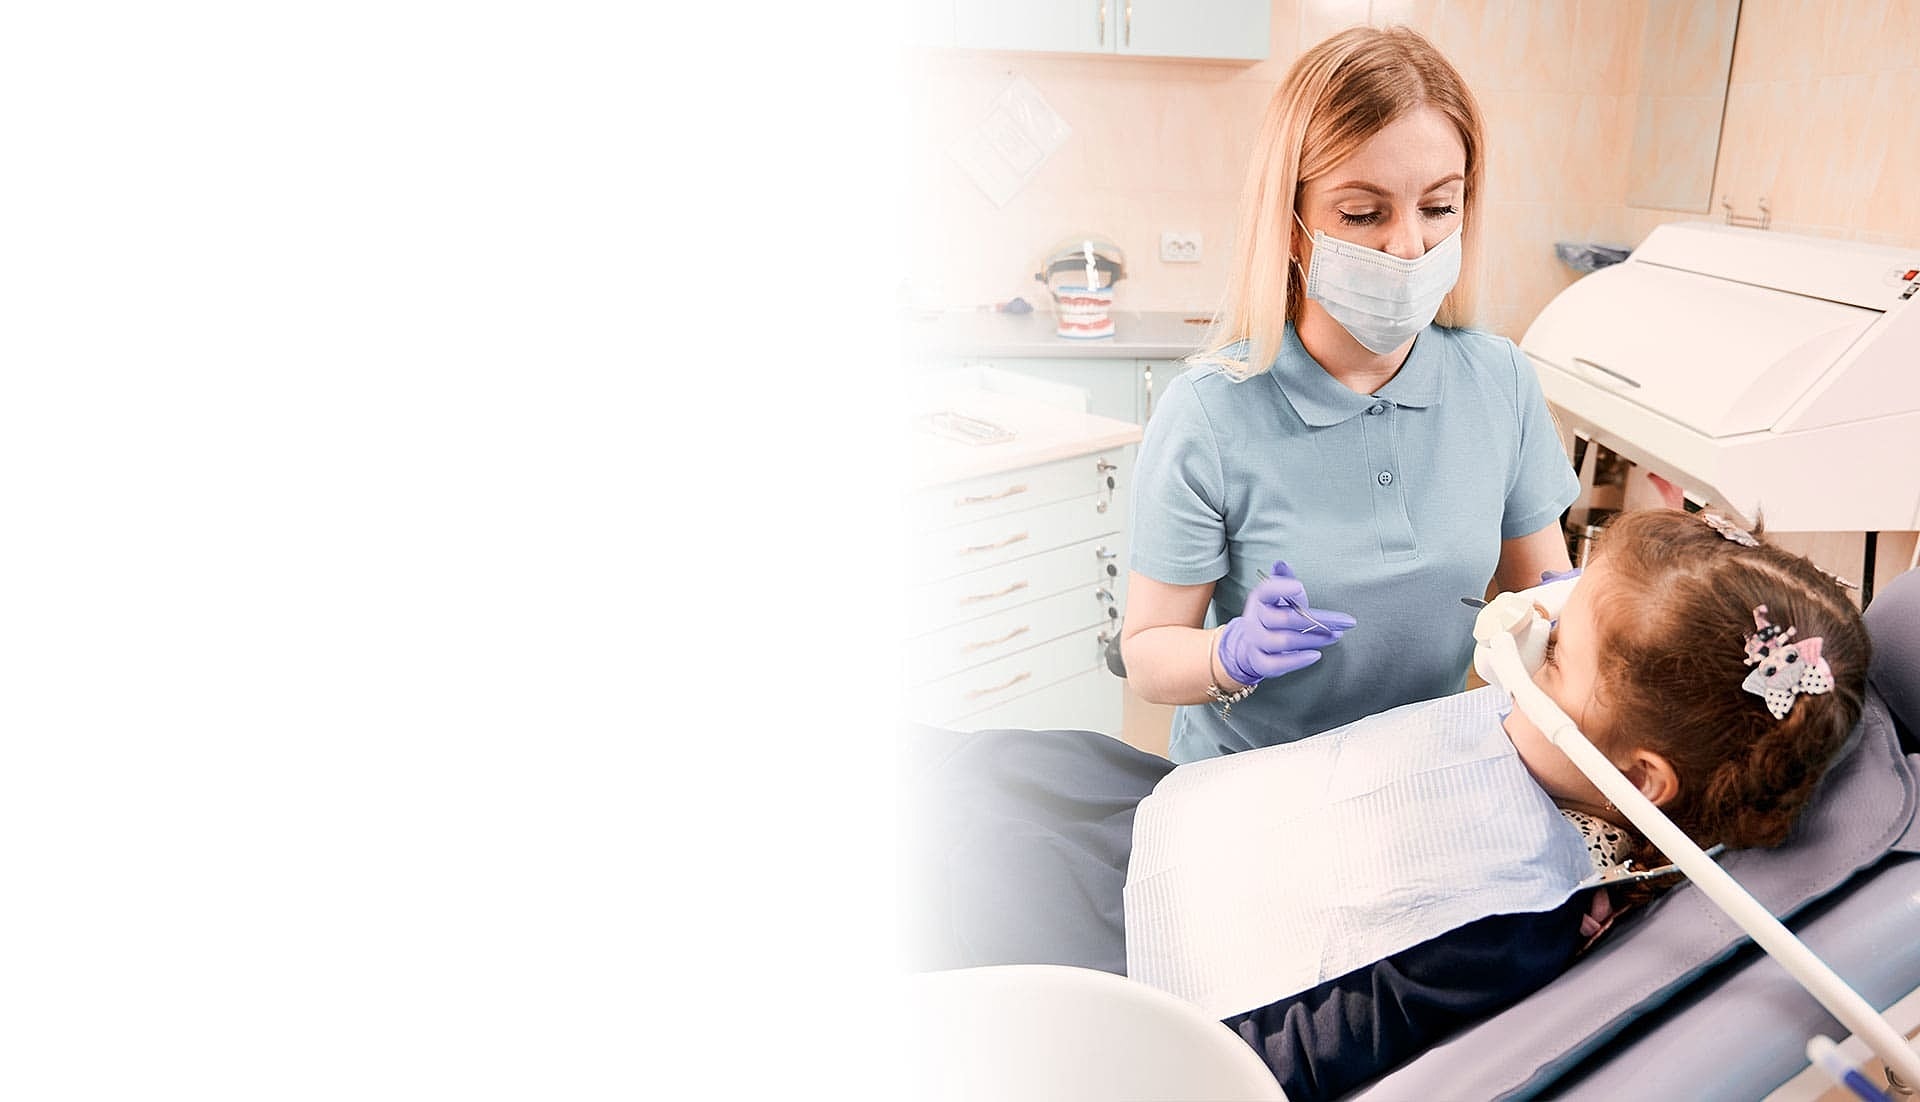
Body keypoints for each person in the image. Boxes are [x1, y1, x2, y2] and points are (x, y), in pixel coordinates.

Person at [903, 509, 1871, 1101]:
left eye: (1559, 649)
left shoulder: (1505, 918)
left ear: (1640, 777)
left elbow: (1272, 1060)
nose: (1527, 634)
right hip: (1156, 822)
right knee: (976, 767)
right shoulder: (1547, 756)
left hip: (1126, 954)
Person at [1121, 25, 1579, 762]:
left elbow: (1546, 604)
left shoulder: (1501, 383)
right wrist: (1227, 655)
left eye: (1438, 207)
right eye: (1363, 214)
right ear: (1294, 225)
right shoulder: (1210, 411)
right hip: (1252, 783)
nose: (1408, 246)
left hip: (1423, 769)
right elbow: (1146, 655)